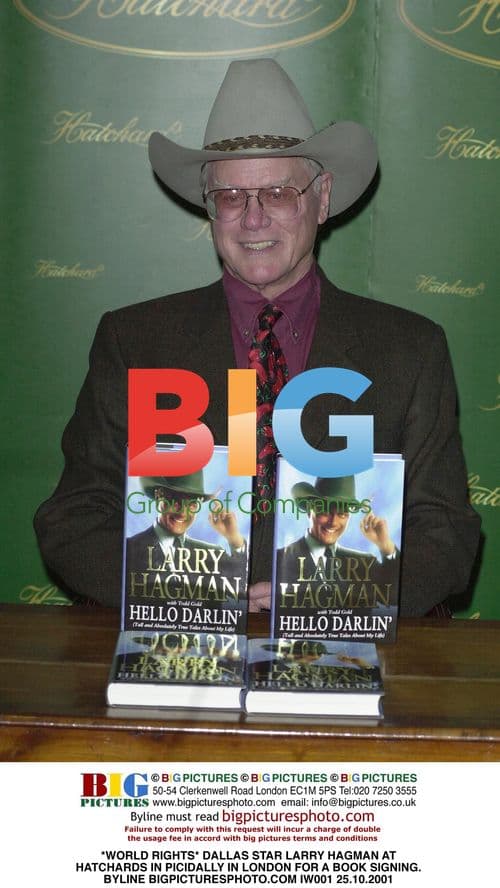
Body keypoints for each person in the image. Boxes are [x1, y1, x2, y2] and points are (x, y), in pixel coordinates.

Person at [34, 58, 480, 617]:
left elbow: (447, 533)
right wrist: (188, 596)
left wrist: (336, 599)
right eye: (231, 197)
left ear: (321, 198)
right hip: (177, 648)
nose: (252, 219)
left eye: (277, 193)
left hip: (348, 651)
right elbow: (74, 516)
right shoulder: (135, 340)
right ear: (208, 208)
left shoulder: (409, 350)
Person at [125, 470, 247, 602]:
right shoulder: (128, 550)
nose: (183, 512)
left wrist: (234, 538)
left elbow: (241, 593)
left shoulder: (213, 555)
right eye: (175, 501)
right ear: (158, 495)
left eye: (192, 504)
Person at [276, 475, 399, 596]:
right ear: (309, 510)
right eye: (325, 511)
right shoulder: (279, 559)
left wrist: (385, 545)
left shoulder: (365, 563)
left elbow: (393, 596)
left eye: (342, 514)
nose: (333, 522)